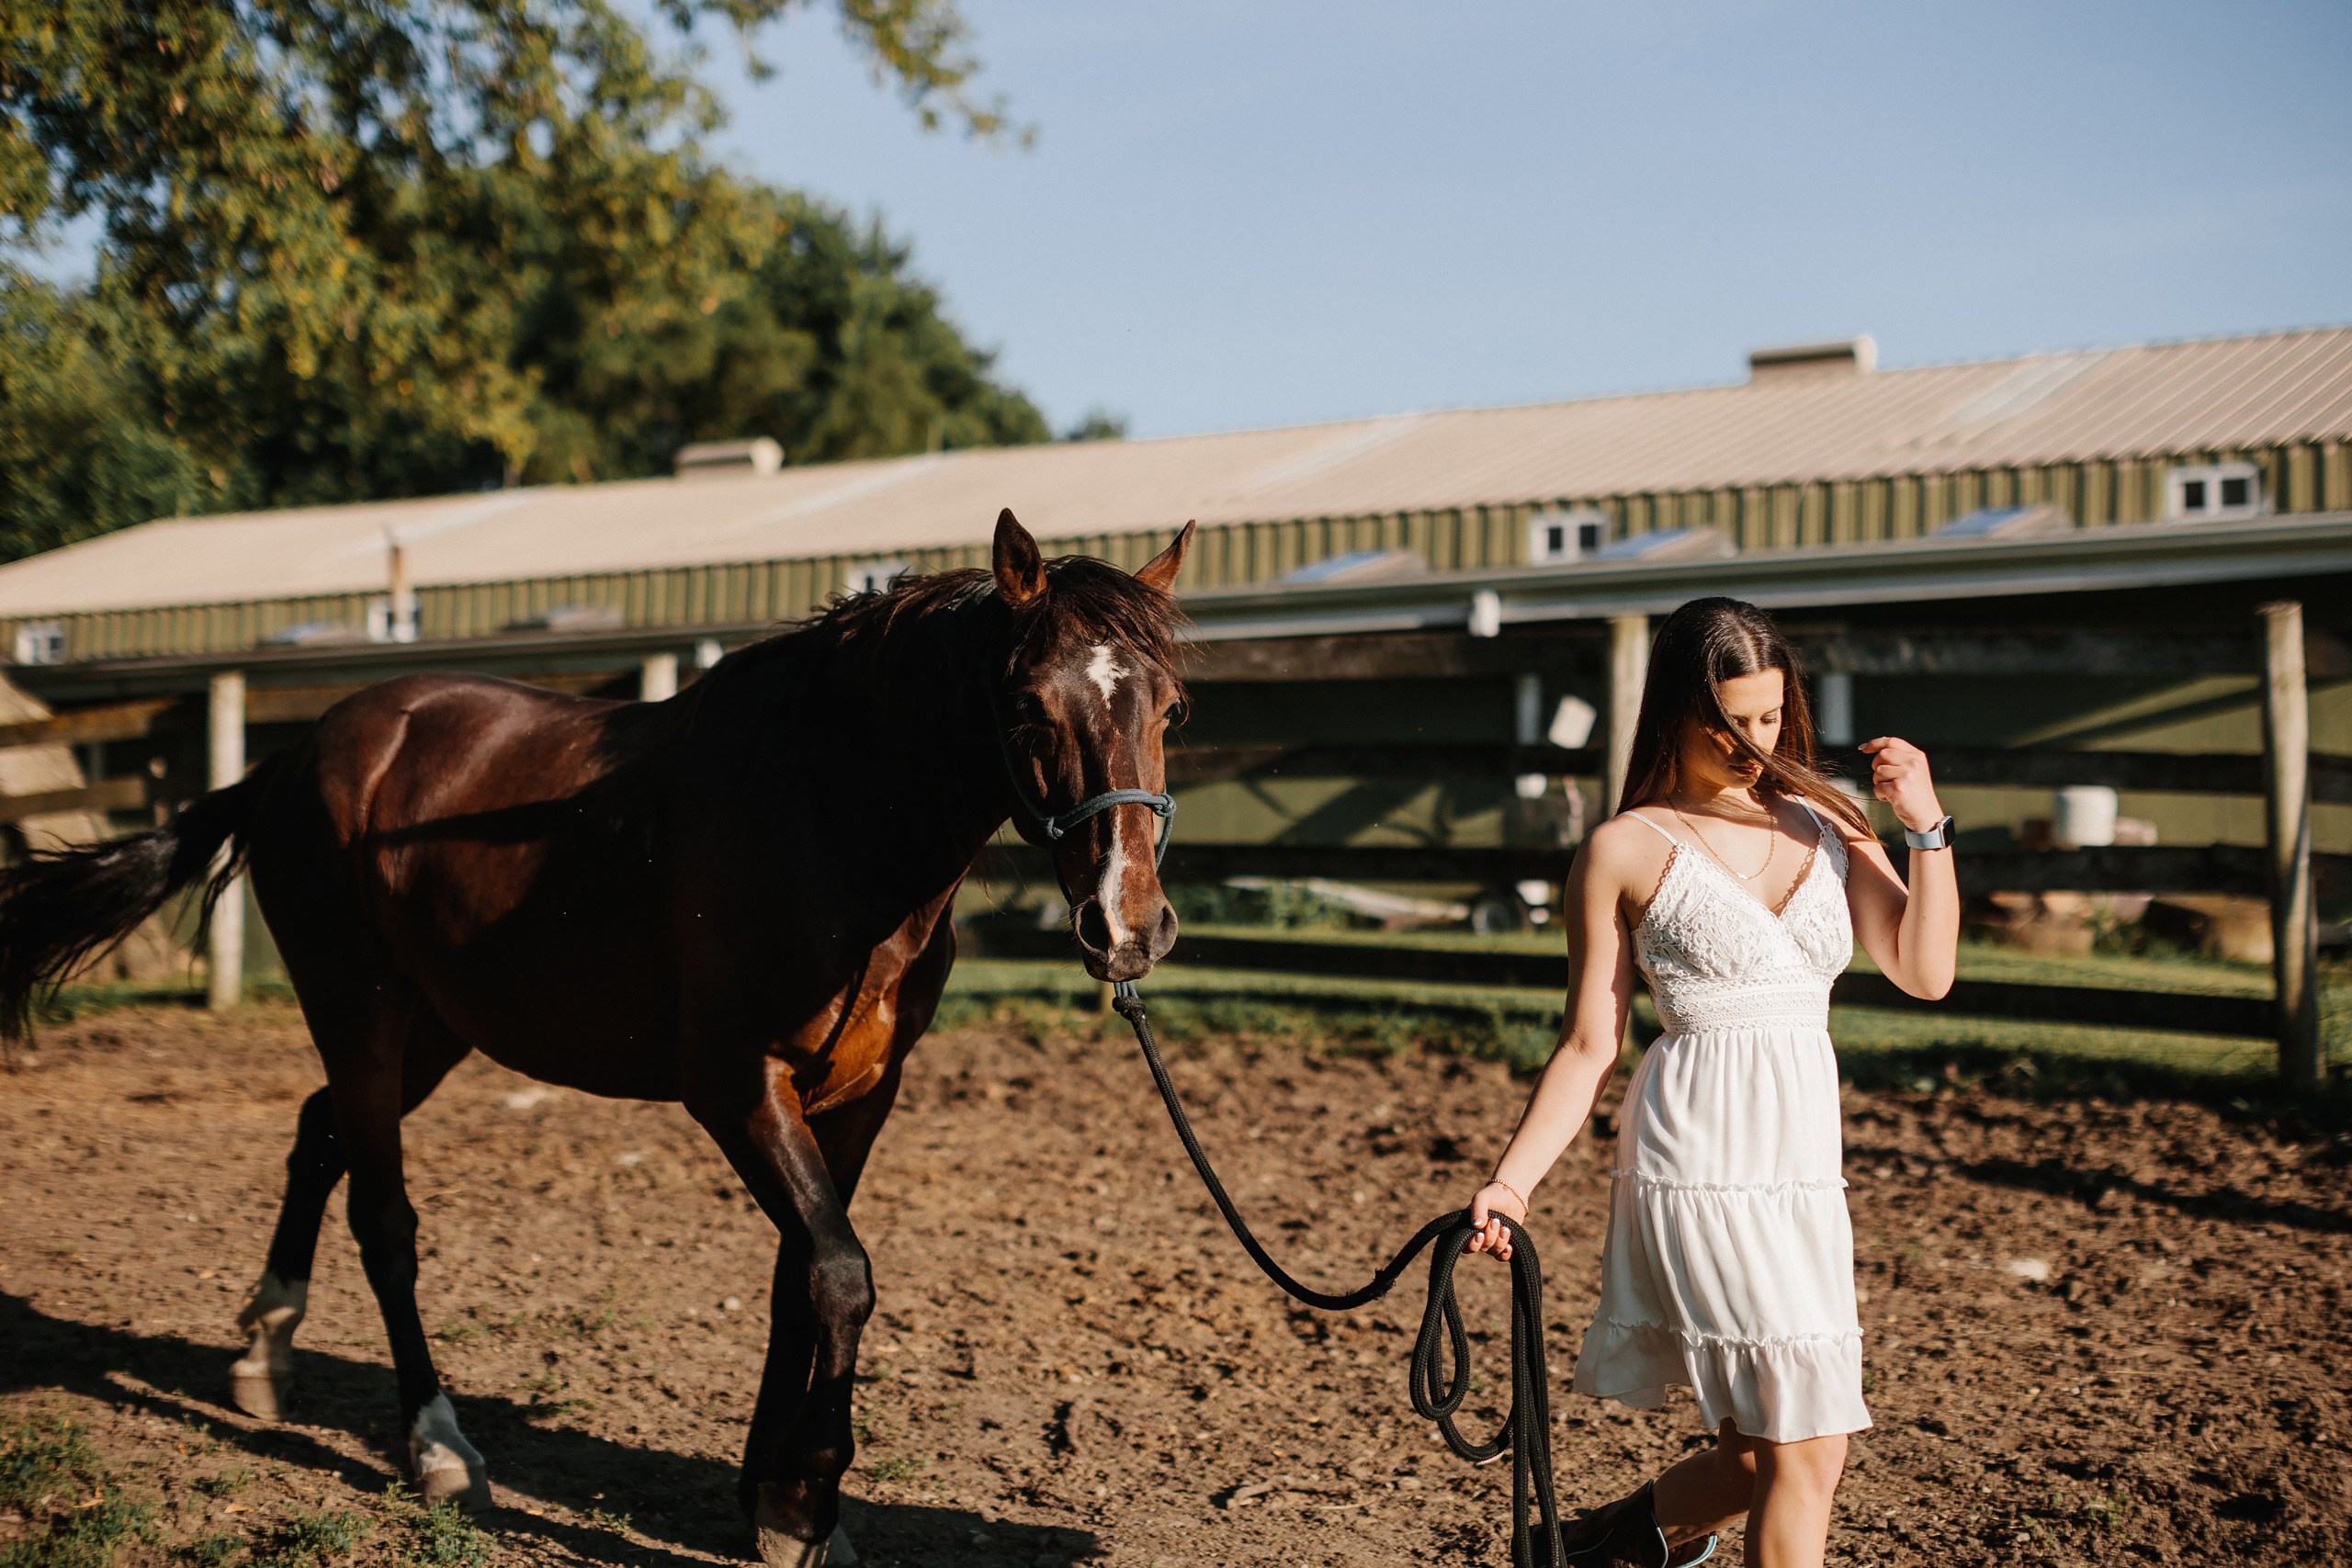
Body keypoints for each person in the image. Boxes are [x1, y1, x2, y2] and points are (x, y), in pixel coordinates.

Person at [1464, 597, 1959, 1568]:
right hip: (1699, 1158)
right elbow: (1585, 1044)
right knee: (1810, 1446)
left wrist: (1926, 826)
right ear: (1673, 714)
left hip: (1802, 1170)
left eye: (1769, 718)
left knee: (1753, 1457)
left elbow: (1925, 970)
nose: (1751, 742)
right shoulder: (1627, 846)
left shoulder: (1827, 821)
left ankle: (1600, 1550)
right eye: (1726, 722)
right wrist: (1510, 1185)